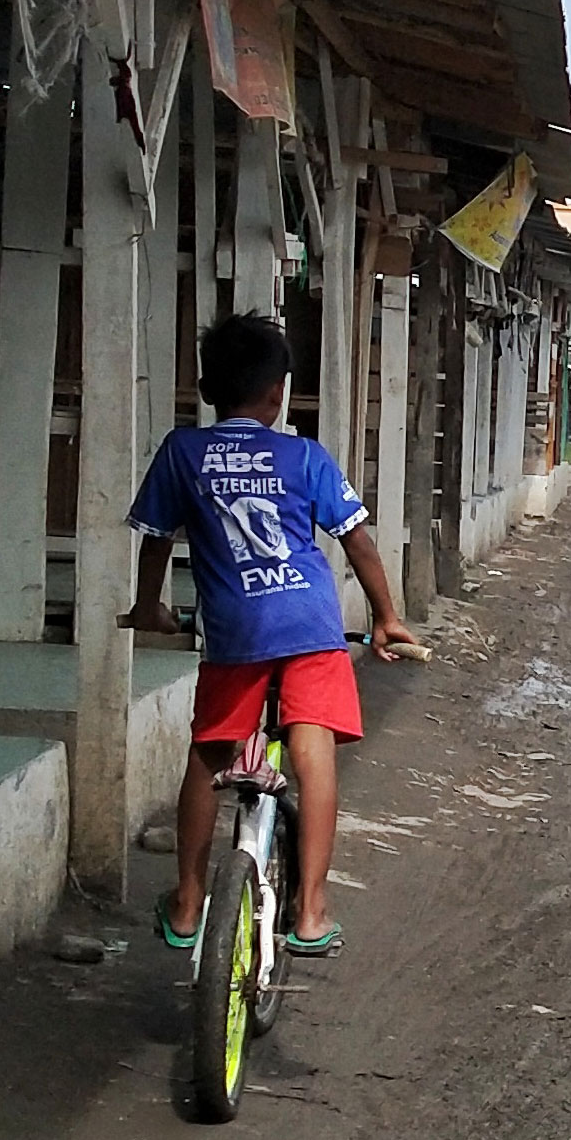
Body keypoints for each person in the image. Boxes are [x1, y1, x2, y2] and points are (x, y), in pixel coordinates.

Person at [124, 313, 421, 958]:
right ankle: (311, 912)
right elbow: (358, 542)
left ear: (206, 390)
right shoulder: (304, 455)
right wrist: (386, 618)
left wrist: (148, 609)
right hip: (311, 628)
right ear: (279, 393)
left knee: (209, 755)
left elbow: (155, 542)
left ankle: (184, 904)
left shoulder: (181, 451)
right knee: (315, 756)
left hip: (235, 635)